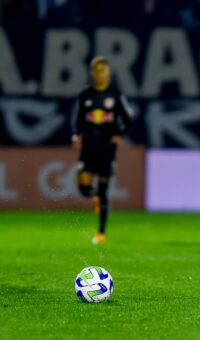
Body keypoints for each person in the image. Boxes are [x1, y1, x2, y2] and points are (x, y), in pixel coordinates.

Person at [72, 56, 133, 245]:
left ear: (108, 73)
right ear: (92, 73)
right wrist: (76, 135)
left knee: (104, 188)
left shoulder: (115, 95)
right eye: (96, 71)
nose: (99, 74)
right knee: (83, 187)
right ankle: (94, 196)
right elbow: (77, 118)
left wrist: (119, 134)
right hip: (88, 146)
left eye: (103, 70)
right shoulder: (85, 95)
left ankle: (101, 232)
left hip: (107, 147)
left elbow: (128, 117)